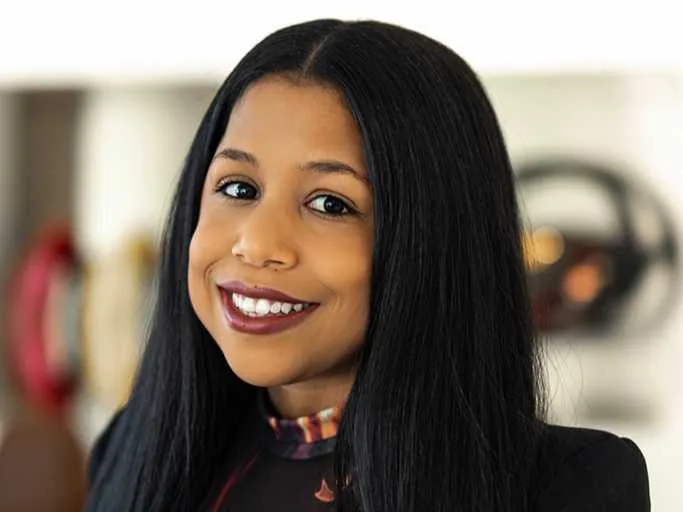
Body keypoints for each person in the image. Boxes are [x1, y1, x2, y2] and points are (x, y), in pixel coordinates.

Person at [85, 18, 650, 512]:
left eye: (330, 204)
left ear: (435, 239)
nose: (256, 244)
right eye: (238, 187)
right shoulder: (130, 453)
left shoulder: (570, 487)